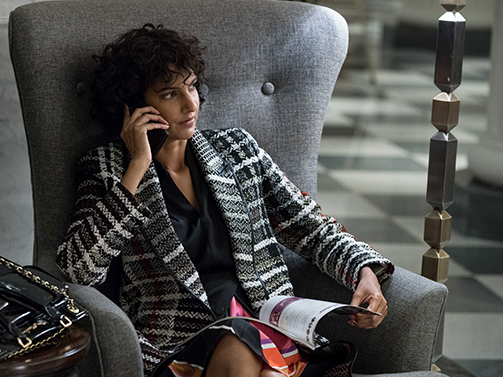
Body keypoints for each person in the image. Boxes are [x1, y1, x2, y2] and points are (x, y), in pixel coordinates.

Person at [57, 24, 394, 377]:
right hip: (181, 347)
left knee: (259, 361)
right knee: (244, 350)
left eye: (191, 86)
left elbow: (311, 228)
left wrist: (364, 273)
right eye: (170, 94)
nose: (190, 104)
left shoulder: (238, 150)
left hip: (270, 328)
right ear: (134, 108)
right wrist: (138, 164)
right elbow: (80, 268)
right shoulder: (107, 169)